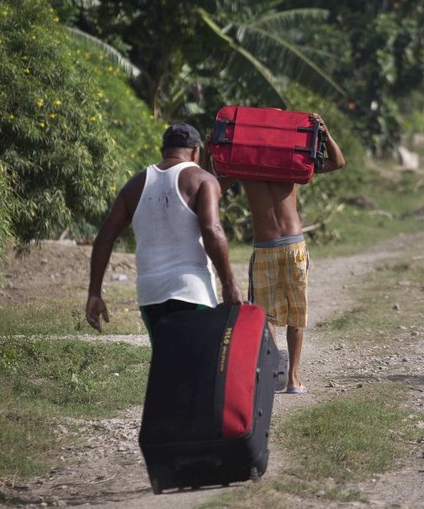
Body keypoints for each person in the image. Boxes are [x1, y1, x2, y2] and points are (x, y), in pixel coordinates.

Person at [218, 113, 345, 394]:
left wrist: (214, 153)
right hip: (295, 246)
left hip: (265, 248)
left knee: (266, 316)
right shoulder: (291, 160)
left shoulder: (245, 166)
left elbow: (212, 187)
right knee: (296, 314)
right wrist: (324, 131)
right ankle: (293, 380)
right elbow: (337, 162)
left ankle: (270, 373)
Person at [86, 122, 240, 340]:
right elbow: (212, 230)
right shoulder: (203, 180)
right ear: (195, 152)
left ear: (163, 151)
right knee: (197, 365)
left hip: (150, 295)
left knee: (167, 365)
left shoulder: (134, 185)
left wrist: (94, 293)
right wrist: (229, 284)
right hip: (192, 290)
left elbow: (104, 238)